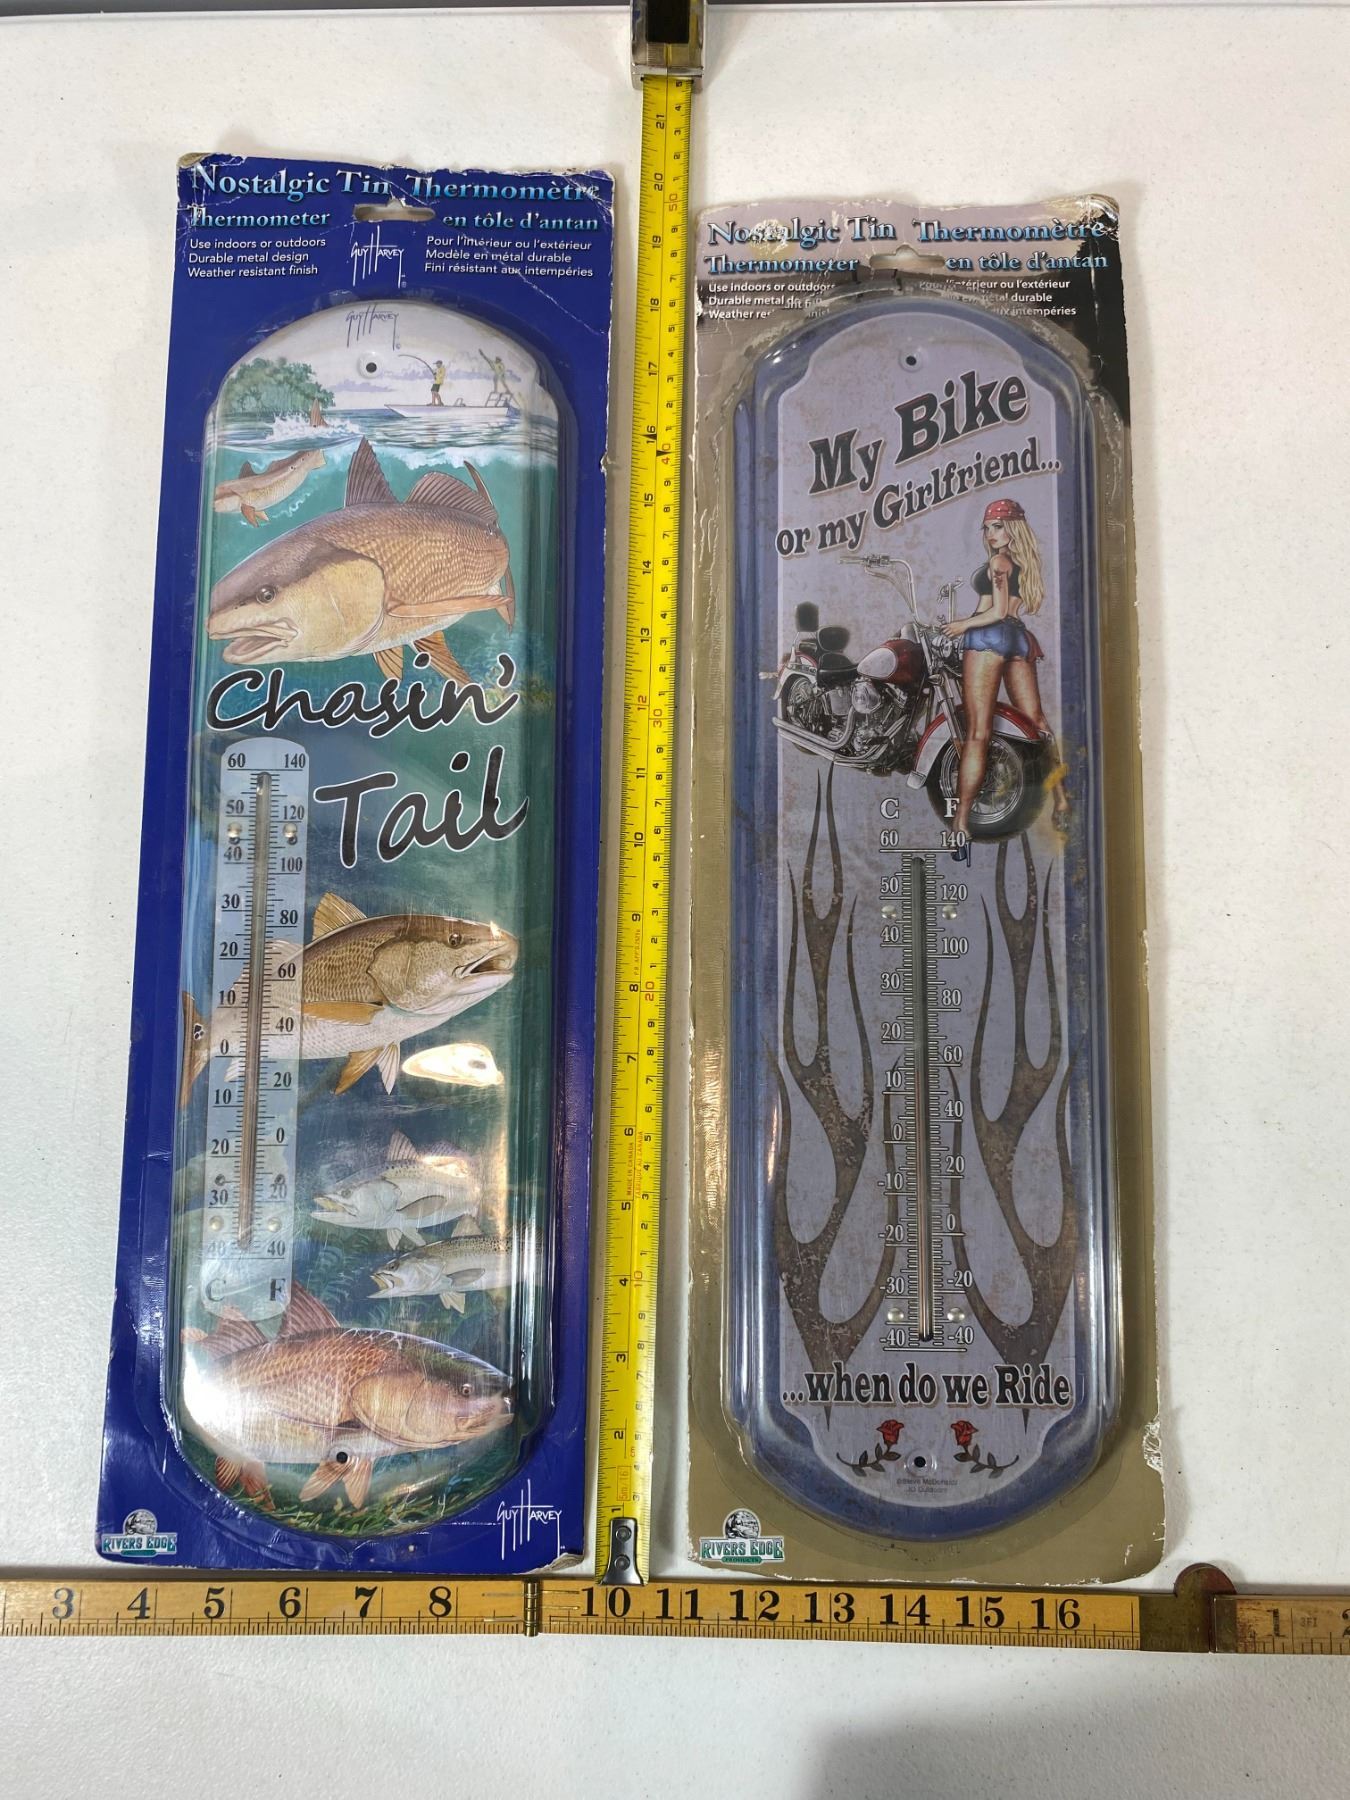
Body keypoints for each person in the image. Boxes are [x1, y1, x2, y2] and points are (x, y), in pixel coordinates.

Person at [938, 497, 1069, 844]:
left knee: (978, 733)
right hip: (1018, 639)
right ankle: (1061, 799)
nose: (990, 533)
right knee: (1038, 723)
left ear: (1012, 529)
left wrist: (961, 625)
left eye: (997, 526)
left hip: (988, 639)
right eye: (987, 528)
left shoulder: (998, 562)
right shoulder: (1024, 563)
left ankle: (962, 821)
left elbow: (995, 611)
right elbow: (1006, 610)